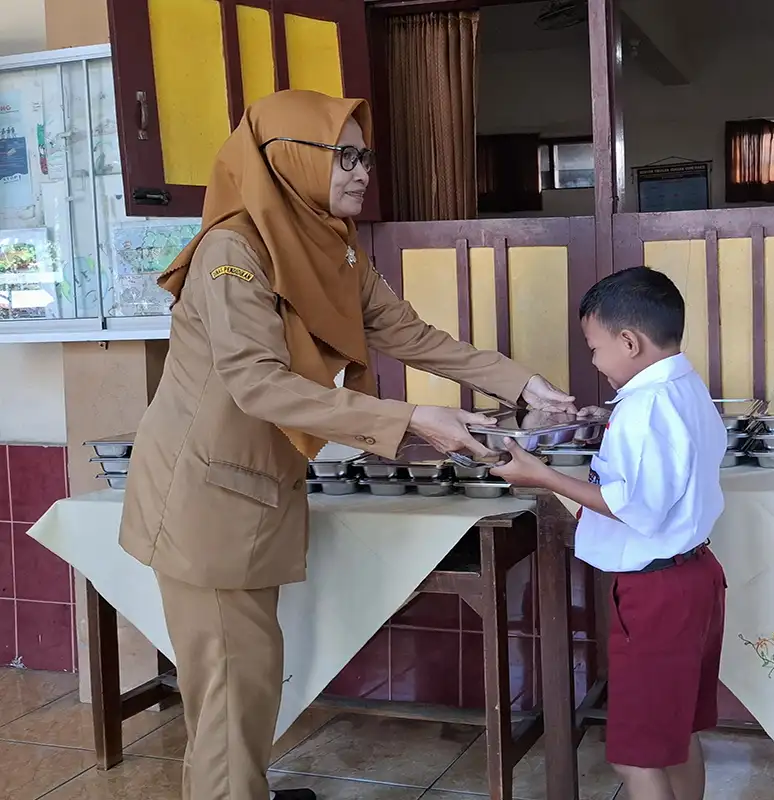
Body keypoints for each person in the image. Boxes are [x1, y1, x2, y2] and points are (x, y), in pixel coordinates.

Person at [118, 89, 574, 800]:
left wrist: (521, 383)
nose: (362, 172)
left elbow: (409, 334)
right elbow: (258, 385)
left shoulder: (330, 246)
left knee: (247, 680)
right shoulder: (232, 253)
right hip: (204, 500)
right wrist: (410, 419)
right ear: (291, 159)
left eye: (364, 156)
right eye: (345, 155)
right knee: (233, 694)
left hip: (251, 490)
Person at [492, 267, 728, 800]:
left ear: (629, 341)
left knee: (635, 758)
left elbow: (633, 507)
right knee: (676, 736)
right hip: (695, 578)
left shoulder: (645, 407)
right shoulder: (683, 385)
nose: (594, 361)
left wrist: (541, 475)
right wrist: (609, 421)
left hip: (658, 594)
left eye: (594, 348)